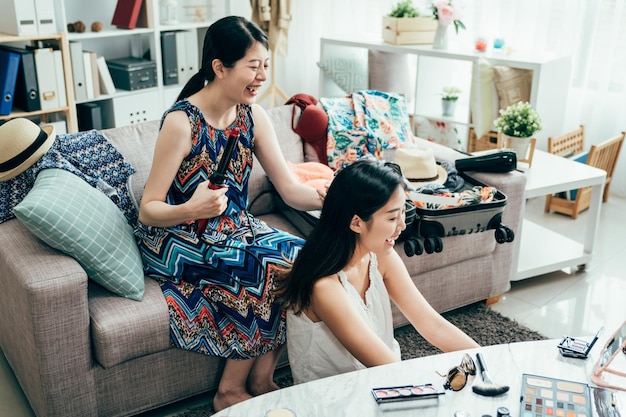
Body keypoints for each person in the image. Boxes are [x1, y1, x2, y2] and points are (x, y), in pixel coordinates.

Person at [134, 16, 324, 411]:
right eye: (253, 66)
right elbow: (149, 211)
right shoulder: (181, 123)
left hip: (233, 227)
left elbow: (289, 189)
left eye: (266, 65)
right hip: (178, 235)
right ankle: (229, 392)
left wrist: (334, 198)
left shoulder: (253, 116)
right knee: (256, 269)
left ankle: (262, 378)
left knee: (301, 258)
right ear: (220, 68)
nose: (262, 76)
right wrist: (192, 206)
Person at [275, 159, 480, 384]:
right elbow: (386, 366)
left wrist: (484, 361)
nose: (402, 225)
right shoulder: (324, 286)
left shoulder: (381, 257)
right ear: (356, 223)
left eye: (403, 212)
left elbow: (431, 324)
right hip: (337, 399)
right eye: (392, 217)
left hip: (382, 381)